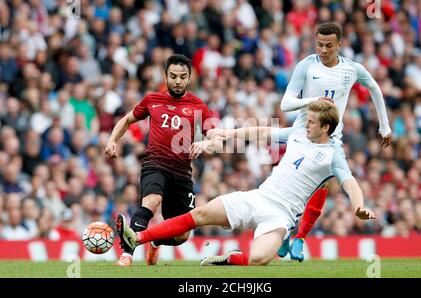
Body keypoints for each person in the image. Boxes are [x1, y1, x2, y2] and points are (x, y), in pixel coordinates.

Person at [115, 100, 376, 266]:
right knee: (201, 213)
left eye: (311, 122)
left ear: (326, 128)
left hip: (281, 216)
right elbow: (261, 132)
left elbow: (350, 182)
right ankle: (137, 238)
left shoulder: (333, 154)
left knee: (258, 259)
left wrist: (359, 206)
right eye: (306, 120)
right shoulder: (297, 133)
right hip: (258, 197)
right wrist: (228, 133)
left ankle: (228, 259)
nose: (305, 124)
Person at [276, 22, 392, 261]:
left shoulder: (352, 69)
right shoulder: (306, 66)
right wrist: (312, 101)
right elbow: (286, 104)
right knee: (294, 186)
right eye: (319, 44)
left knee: (322, 184)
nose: (323, 50)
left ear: (339, 45)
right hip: (302, 133)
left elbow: (374, 88)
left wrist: (384, 126)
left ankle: (300, 238)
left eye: (329, 45)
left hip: (330, 138)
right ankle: (286, 231)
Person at [105, 54, 216, 266]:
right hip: (154, 164)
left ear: (189, 78)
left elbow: (215, 136)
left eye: (183, 76)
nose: (178, 80)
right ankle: (127, 254)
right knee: (151, 201)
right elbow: (127, 119)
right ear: (165, 76)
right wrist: (112, 140)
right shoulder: (152, 100)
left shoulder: (198, 106)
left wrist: (205, 144)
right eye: (173, 76)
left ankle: (154, 241)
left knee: (183, 235)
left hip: (182, 172)